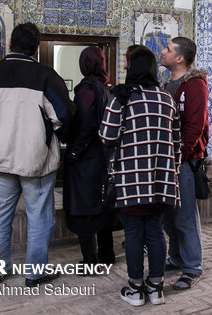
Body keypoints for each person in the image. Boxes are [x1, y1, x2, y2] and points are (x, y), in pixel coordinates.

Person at [0, 22, 74, 287]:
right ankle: (34, 273)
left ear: (10, 44)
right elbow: (64, 117)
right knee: (39, 215)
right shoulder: (45, 77)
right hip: (34, 159)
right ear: (36, 49)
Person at [99, 46, 181, 307]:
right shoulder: (166, 99)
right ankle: (156, 288)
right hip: (161, 182)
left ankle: (135, 289)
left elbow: (106, 137)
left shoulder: (121, 99)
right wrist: (171, 171)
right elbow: (176, 142)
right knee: (156, 232)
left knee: (133, 234)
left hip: (131, 181)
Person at [160, 37, 209, 290]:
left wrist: (181, 156)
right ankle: (176, 257)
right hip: (168, 160)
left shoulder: (195, 85)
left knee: (186, 216)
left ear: (179, 58)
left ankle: (192, 267)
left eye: (167, 49)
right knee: (169, 216)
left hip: (184, 161)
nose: (163, 51)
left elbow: (195, 126)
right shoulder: (168, 83)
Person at [63, 46, 117, 267]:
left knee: (85, 208)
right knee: (103, 204)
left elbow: (85, 125)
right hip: (103, 157)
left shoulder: (87, 91)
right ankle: (106, 255)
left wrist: (74, 152)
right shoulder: (107, 89)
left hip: (87, 160)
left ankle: (90, 261)